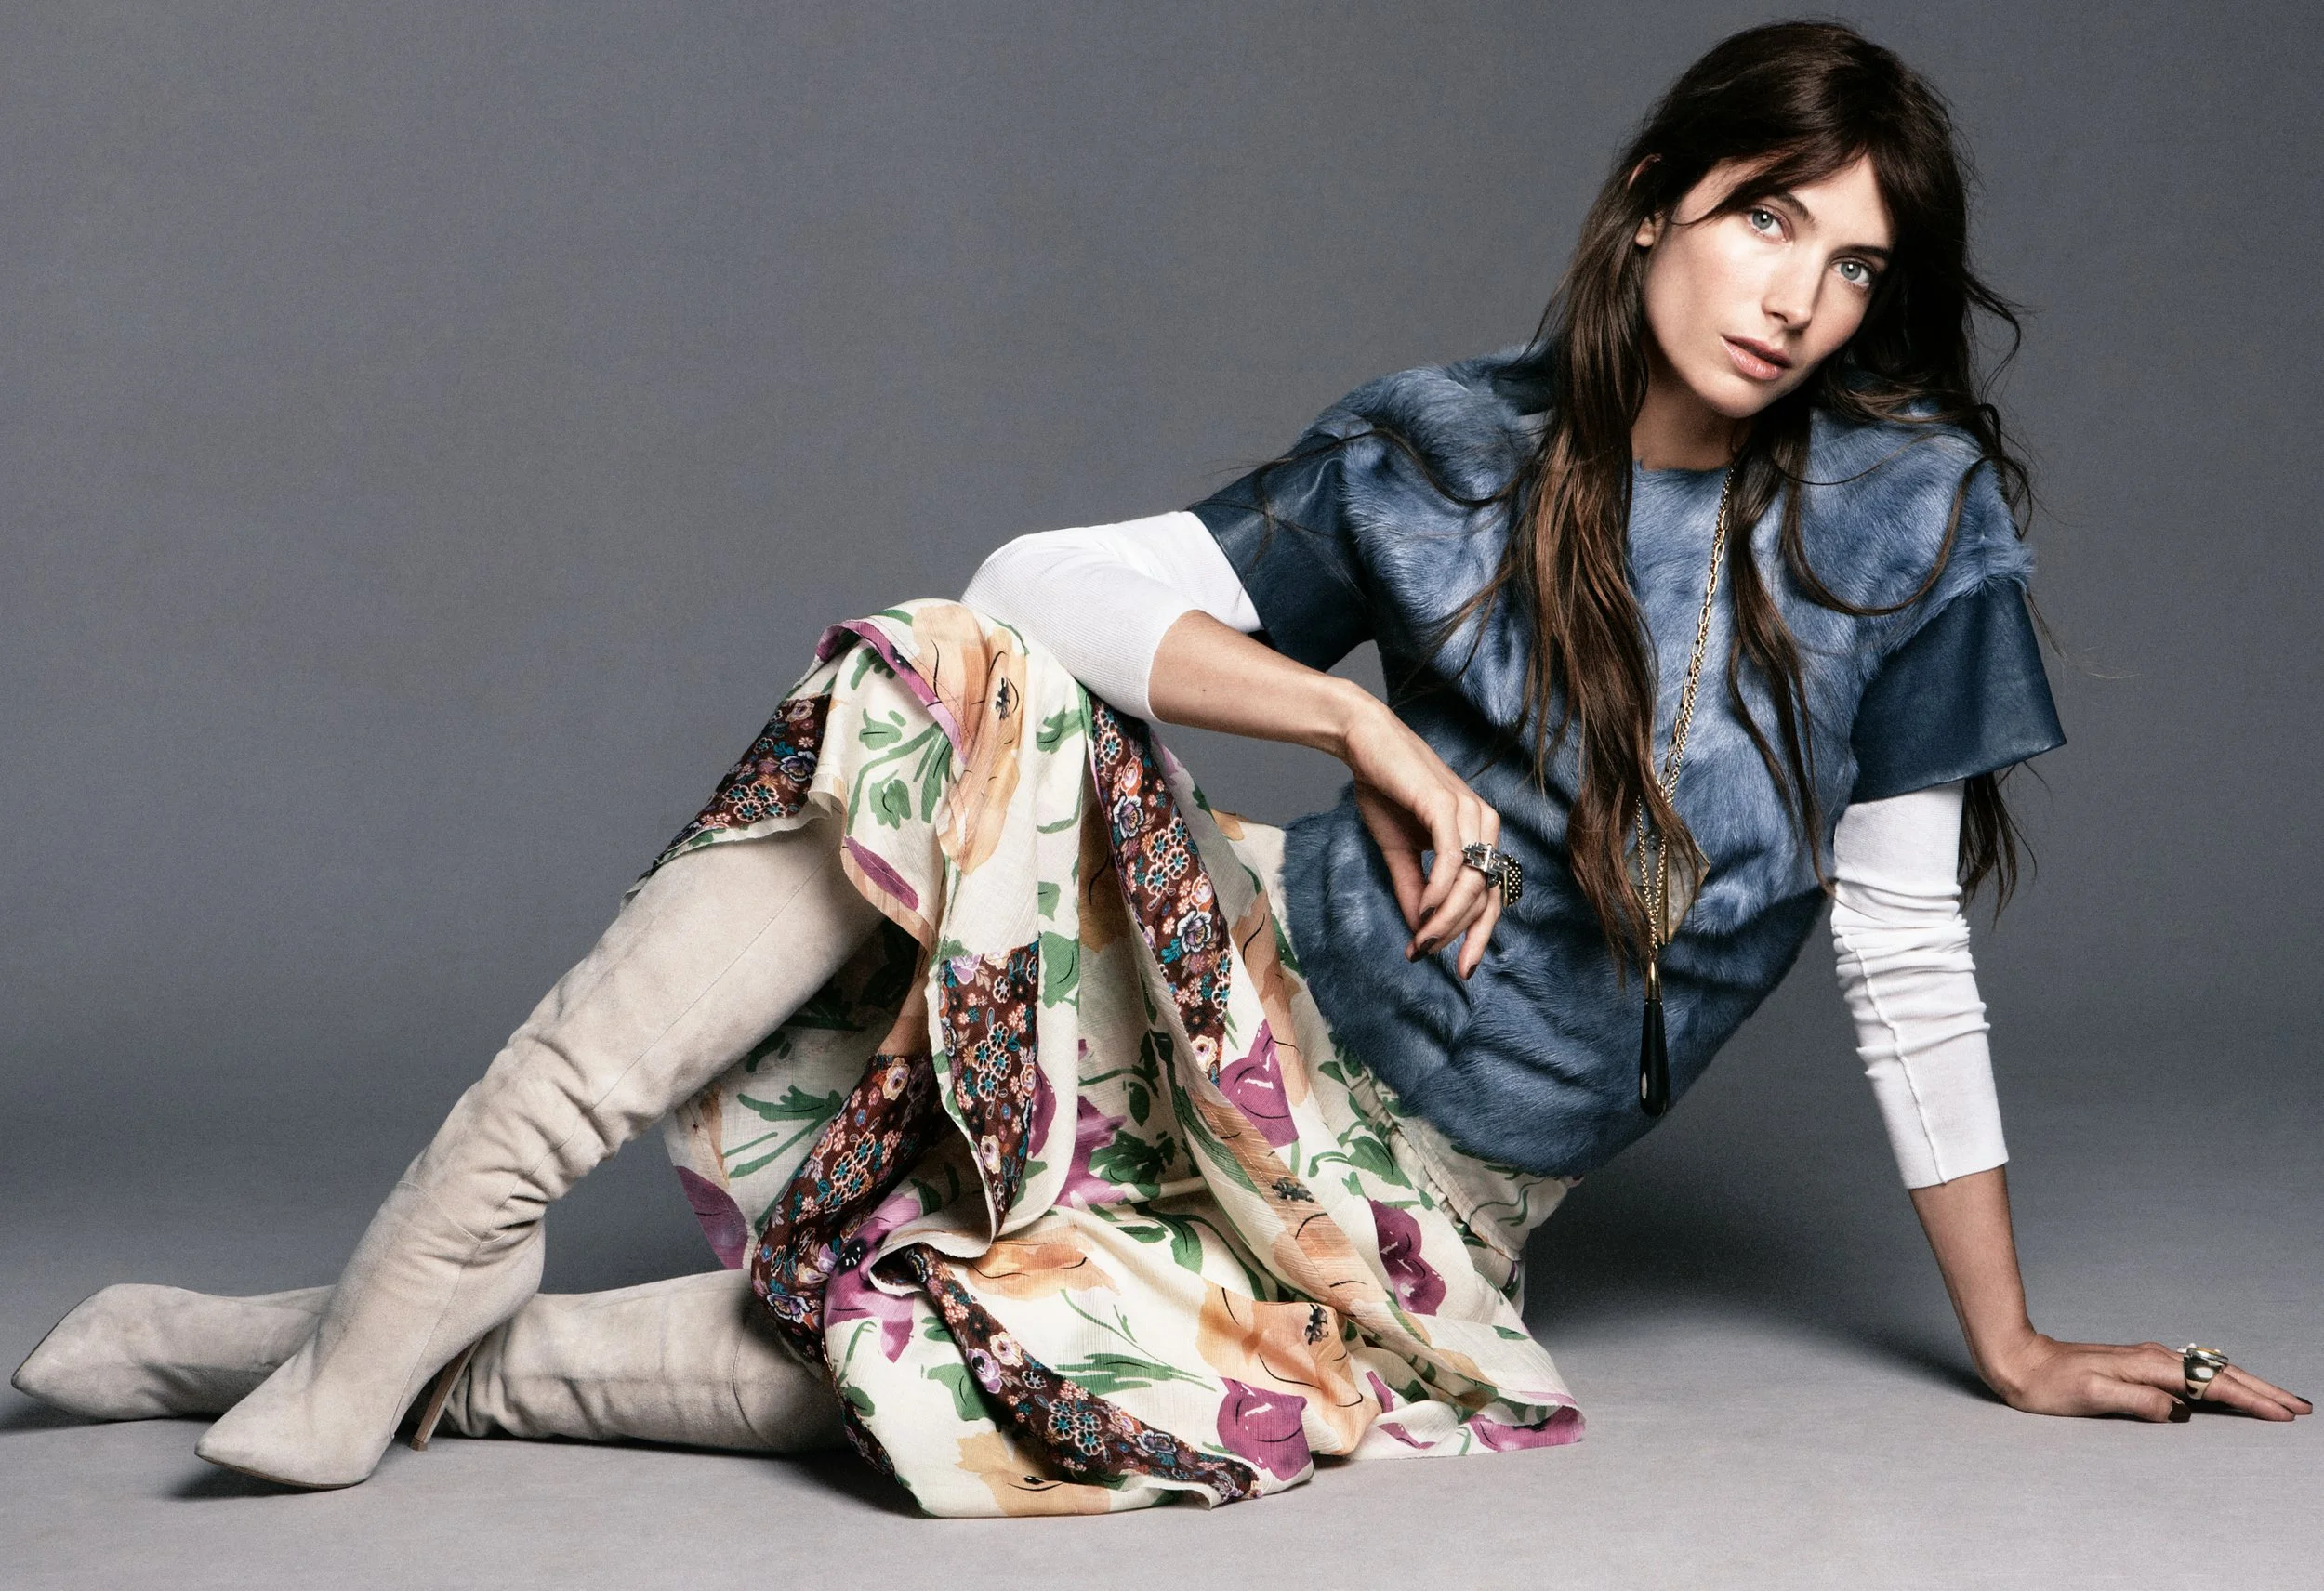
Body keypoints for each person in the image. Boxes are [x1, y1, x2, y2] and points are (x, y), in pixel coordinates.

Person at [13, 20, 2306, 1515]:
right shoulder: (1445, 443)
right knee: (931, 671)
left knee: (982, 1372)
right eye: (1763, 216)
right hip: (1207, 977)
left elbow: (1898, 939)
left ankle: (317, 1343)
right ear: (1658, 206)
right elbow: (1037, 585)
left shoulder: (1910, 525)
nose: (1793, 296)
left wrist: (2002, 1344)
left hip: (1405, 1201)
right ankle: (453, 1226)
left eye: (1850, 267)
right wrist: (1341, 714)